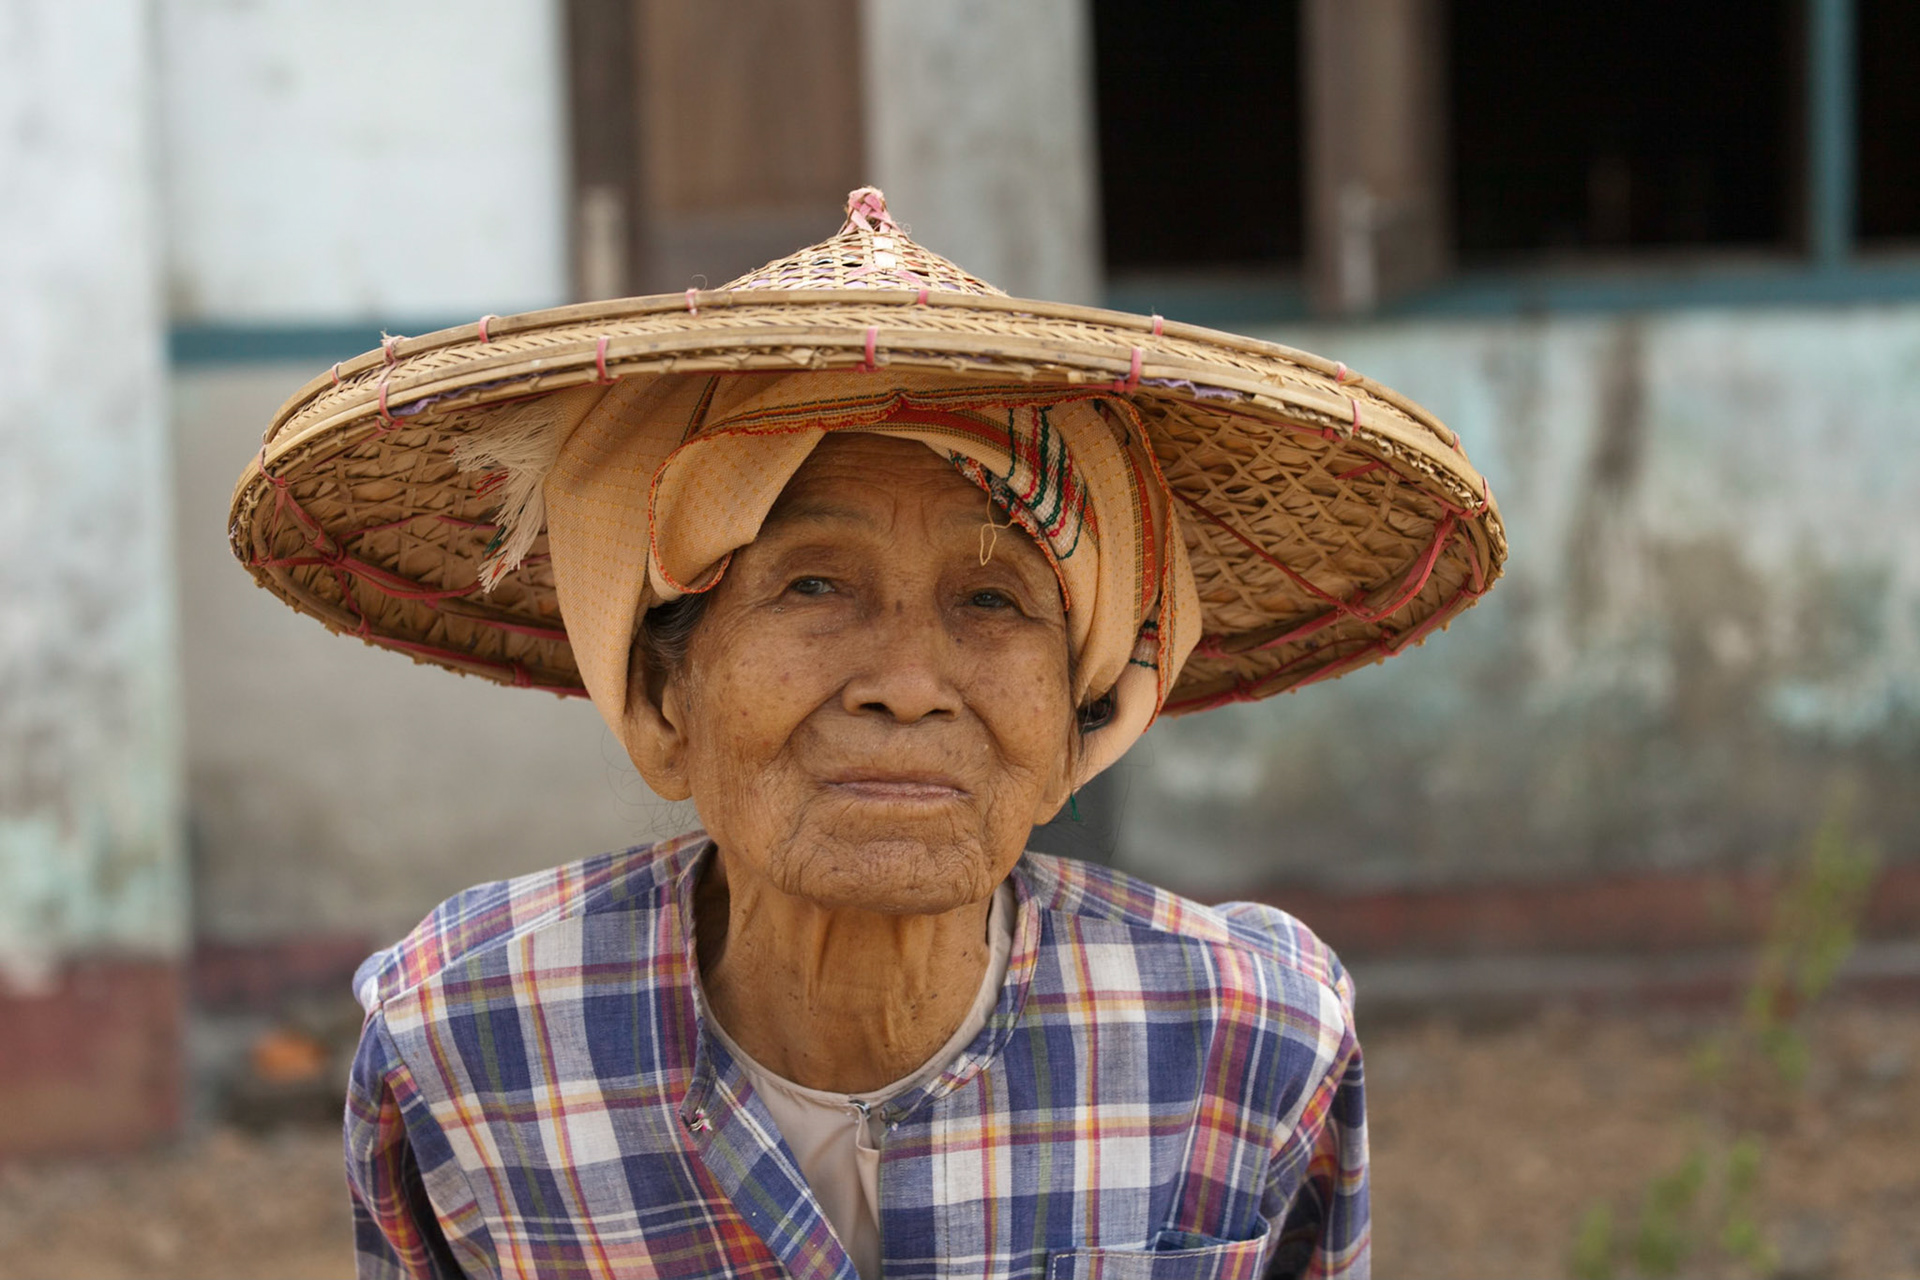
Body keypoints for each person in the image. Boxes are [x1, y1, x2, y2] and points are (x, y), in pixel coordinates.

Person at [230, 189, 1504, 1279]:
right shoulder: (465, 1036)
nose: (908, 682)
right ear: (664, 701)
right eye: (814, 585)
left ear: (1077, 728)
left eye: (993, 598)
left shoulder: (1250, 1041)